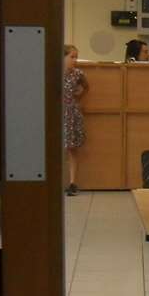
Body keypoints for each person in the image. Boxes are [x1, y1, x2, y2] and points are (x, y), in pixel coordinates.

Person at [61, 43, 87, 196]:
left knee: (72, 148)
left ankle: (72, 182)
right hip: (59, 112)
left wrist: (79, 95)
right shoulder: (55, 73)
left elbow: (87, 87)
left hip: (71, 112)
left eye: (76, 57)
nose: (75, 60)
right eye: (72, 57)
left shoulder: (78, 74)